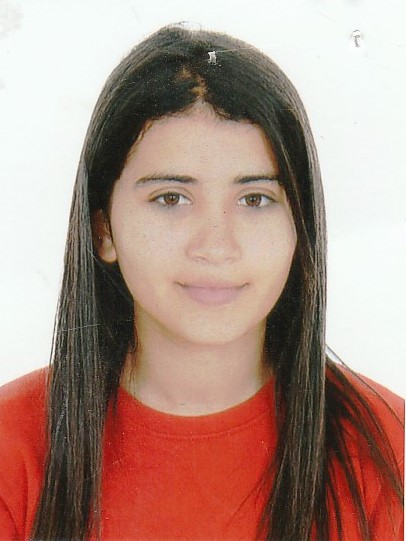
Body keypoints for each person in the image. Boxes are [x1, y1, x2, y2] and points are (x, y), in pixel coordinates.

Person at [0, 24, 403, 541]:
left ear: (300, 227)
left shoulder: (387, 447)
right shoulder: (12, 446)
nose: (216, 245)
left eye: (255, 199)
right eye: (171, 198)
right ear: (103, 230)